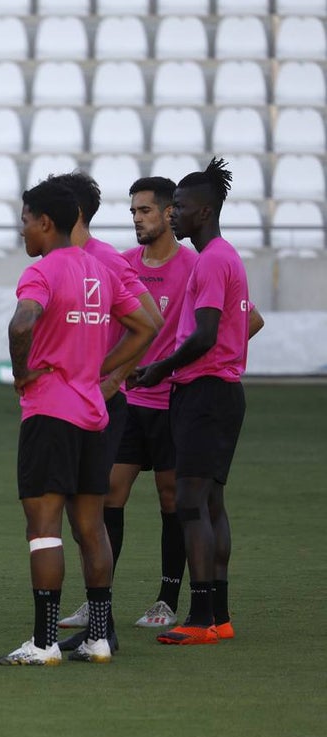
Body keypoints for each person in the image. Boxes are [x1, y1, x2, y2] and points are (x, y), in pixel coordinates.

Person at [0, 179, 156, 666]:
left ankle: (44, 643)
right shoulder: (99, 270)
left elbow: (22, 323)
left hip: (50, 412)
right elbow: (146, 325)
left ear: (45, 222)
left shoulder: (41, 271)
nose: (22, 230)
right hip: (93, 414)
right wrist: (100, 369)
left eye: (25, 221)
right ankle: (98, 638)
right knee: (92, 526)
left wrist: (22, 372)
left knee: (43, 527)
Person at [134, 158, 265, 646]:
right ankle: (219, 615)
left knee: (190, 503)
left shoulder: (210, 261)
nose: (173, 215)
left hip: (205, 392)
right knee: (210, 503)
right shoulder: (224, 256)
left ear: (204, 211)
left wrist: (160, 368)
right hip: (219, 392)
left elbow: (205, 334)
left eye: (181, 207)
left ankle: (201, 616)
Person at [47, 171, 164, 641]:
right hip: (69, 403)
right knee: (81, 522)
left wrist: (111, 375)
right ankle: (101, 626)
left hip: (95, 405)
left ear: (71, 212)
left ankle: (103, 627)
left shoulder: (104, 259)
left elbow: (151, 320)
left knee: (87, 519)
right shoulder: (63, 259)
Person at [109, 177, 199, 629]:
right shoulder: (122, 264)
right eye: (133, 212)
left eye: (144, 210)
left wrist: (193, 365)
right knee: (109, 493)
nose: (137, 219)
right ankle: (98, 598)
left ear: (168, 213)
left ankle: (166, 600)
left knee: (170, 499)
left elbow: (247, 321)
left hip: (170, 402)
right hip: (127, 400)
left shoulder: (196, 266)